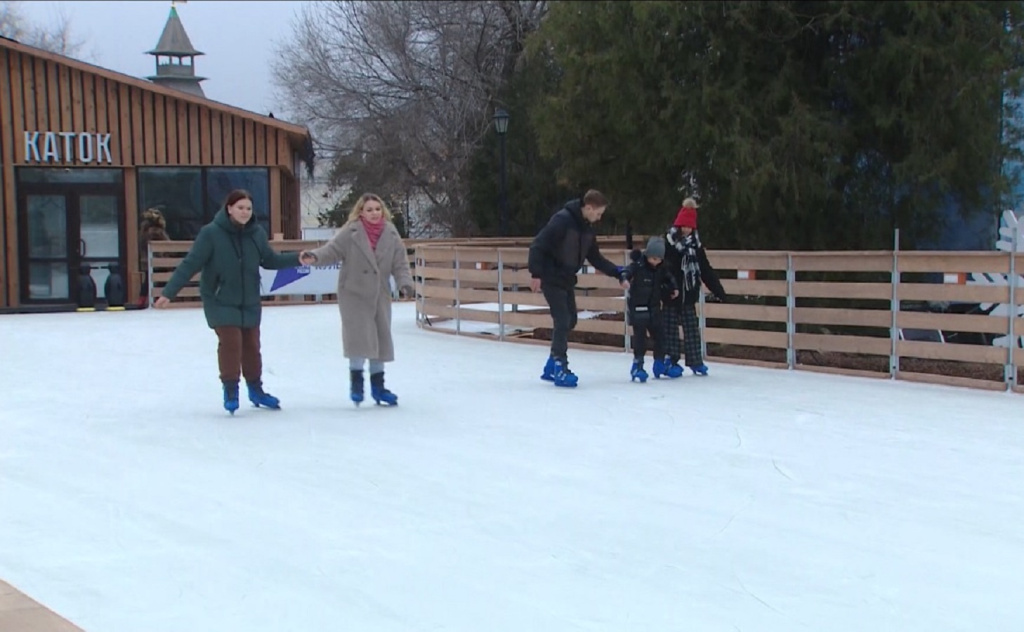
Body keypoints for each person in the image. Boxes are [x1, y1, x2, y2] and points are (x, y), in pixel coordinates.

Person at [155, 189, 301, 414]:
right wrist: (168, 292)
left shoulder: (256, 233)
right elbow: (191, 263)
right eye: (240, 207)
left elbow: (270, 260)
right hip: (220, 299)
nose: (245, 212)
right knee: (232, 343)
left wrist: (298, 258)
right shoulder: (211, 233)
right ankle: (231, 390)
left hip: (249, 299)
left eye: (249, 209)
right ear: (229, 209)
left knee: (252, 346)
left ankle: (256, 390)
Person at [299, 193, 415, 407]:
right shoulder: (350, 232)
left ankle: (379, 387)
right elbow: (331, 251)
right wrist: (314, 257)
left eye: (377, 209)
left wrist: (405, 283)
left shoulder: (391, 233)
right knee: (359, 338)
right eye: (369, 209)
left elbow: (400, 262)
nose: (374, 213)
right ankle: (356, 383)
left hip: (379, 294)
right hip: (354, 293)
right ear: (361, 212)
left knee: (379, 338)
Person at [527, 189, 630, 387]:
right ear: (588, 207)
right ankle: (560, 365)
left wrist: (618, 272)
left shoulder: (587, 229)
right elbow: (538, 245)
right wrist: (536, 273)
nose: (599, 218)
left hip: (566, 278)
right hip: (550, 276)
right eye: (598, 213)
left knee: (571, 320)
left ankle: (551, 365)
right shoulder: (562, 221)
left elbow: (596, 258)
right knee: (562, 319)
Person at [664, 198, 727, 376]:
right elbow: (662, 268)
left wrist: (719, 291)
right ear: (677, 225)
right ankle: (671, 360)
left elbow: (705, 269)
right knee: (670, 329)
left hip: (689, 294)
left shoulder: (696, 246)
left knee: (691, 329)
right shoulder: (669, 243)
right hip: (671, 294)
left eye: (689, 227)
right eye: (683, 226)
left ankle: (695, 361)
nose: (686, 230)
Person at [623, 236, 678, 382]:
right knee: (641, 340)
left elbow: (669, 278)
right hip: (638, 309)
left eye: (658, 259)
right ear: (647, 255)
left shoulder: (661, 269)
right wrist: (624, 279)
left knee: (660, 337)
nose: (655, 262)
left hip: (654, 309)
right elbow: (627, 271)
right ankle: (638, 365)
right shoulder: (638, 266)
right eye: (653, 258)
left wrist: (674, 288)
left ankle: (659, 364)